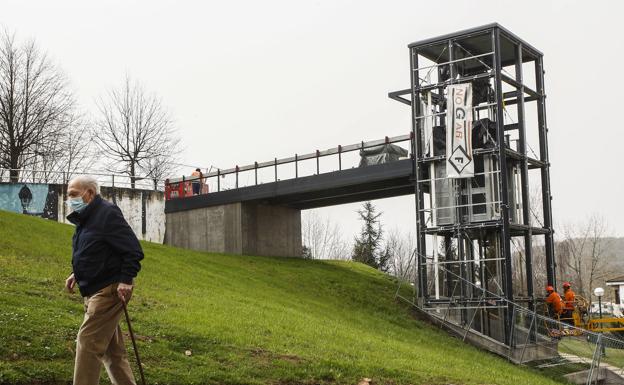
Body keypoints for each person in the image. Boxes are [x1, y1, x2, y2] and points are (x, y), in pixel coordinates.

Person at [64, 175, 144, 385]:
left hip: (109, 290)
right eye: (68, 195)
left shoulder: (107, 213)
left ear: (89, 193)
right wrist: (77, 274)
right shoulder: (86, 218)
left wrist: (126, 280)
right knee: (112, 352)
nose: (69, 199)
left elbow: (133, 250)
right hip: (94, 288)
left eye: (73, 194)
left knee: (88, 341)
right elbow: (94, 250)